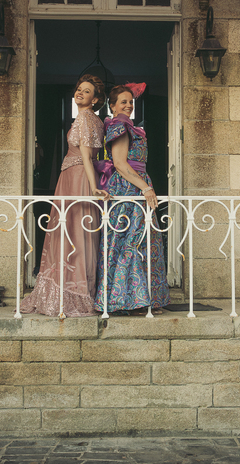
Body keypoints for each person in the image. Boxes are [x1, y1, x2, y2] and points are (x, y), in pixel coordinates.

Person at [21, 74, 109, 317]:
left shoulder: (84, 118)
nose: (80, 93)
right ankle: (74, 288)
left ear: (95, 99)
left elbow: (86, 156)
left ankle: (73, 293)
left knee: (73, 231)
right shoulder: (94, 120)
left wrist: (92, 186)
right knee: (73, 230)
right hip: (72, 176)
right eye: (79, 89)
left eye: (87, 91)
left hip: (78, 178)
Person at [94, 83, 171, 315]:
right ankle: (130, 301)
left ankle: (139, 299)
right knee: (132, 241)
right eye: (123, 102)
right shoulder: (119, 124)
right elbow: (119, 164)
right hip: (129, 187)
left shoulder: (127, 125)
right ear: (112, 105)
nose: (128, 105)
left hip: (135, 183)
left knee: (139, 240)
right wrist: (146, 188)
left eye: (131, 102)